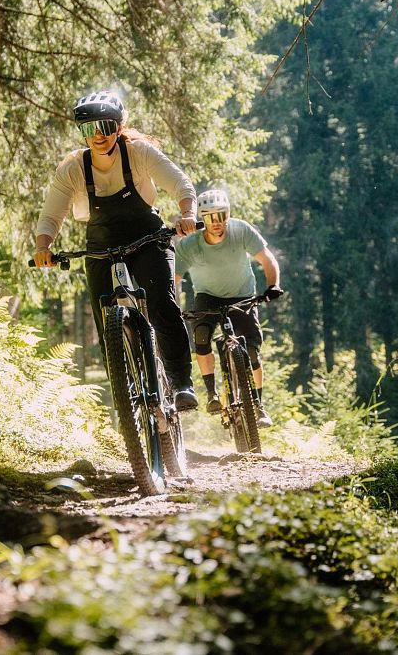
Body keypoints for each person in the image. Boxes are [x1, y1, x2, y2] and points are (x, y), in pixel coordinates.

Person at [34, 89, 199, 410]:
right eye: (89, 128)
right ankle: (126, 401)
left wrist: (187, 213)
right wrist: (44, 246)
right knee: (103, 317)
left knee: (162, 303)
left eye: (106, 127)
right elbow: (52, 215)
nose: (98, 135)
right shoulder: (73, 167)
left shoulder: (139, 152)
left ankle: (181, 384)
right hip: (100, 243)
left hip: (147, 237)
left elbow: (181, 184)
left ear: (119, 127)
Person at [174, 189, 283, 426]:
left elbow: (267, 259)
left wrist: (273, 285)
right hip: (207, 297)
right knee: (201, 335)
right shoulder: (189, 245)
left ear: (228, 214)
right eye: (210, 217)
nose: (217, 222)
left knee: (251, 351)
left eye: (221, 215)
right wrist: (170, 305)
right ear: (202, 218)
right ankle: (212, 394)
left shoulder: (241, 230)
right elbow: (174, 278)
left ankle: (258, 405)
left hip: (242, 295)